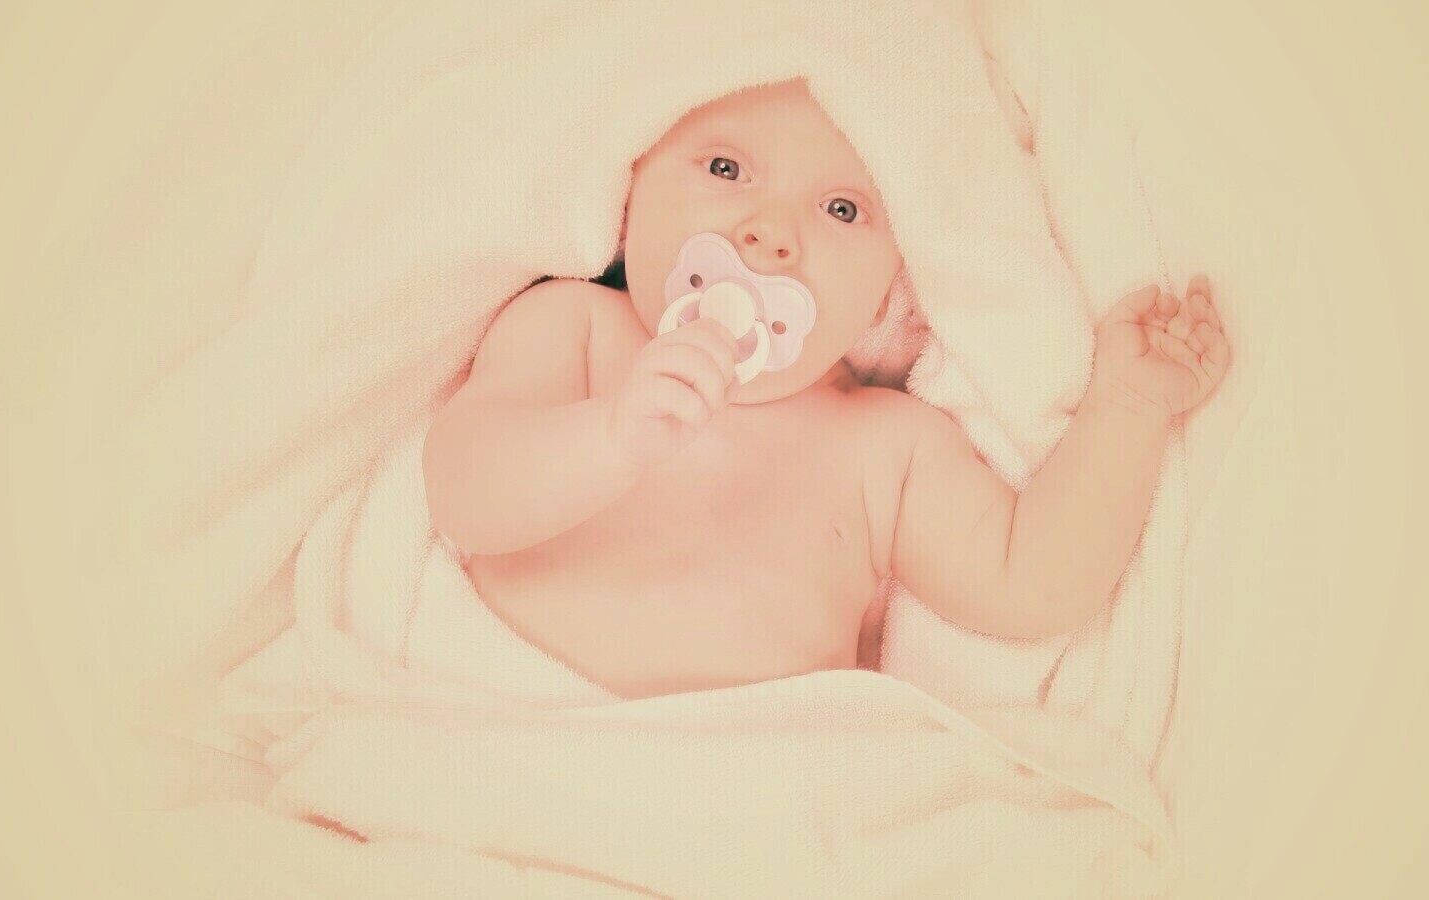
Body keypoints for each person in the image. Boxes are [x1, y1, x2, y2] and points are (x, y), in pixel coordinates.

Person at [422, 78, 1230, 700]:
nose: (771, 233)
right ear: (629, 203)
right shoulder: (576, 328)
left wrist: (1128, 407)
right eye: (726, 168)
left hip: (760, 783)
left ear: (887, 297)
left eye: (842, 209)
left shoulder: (885, 446)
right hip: (524, 723)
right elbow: (462, 493)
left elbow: (1030, 584)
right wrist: (610, 437)